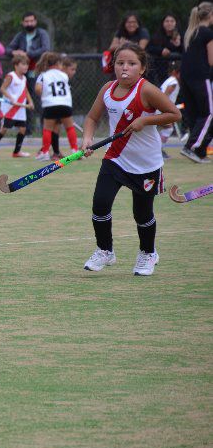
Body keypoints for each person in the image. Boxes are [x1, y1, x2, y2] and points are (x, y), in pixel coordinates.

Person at [81, 43, 180, 276]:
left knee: (142, 214)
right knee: (100, 204)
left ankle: (148, 253)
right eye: (120, 63)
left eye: (132, 63)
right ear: (113, 66)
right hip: (116, 158)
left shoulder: (147, 90)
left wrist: (145, 121)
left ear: (142, 68)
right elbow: (92, 117)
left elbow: (175, 114)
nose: (125, 67)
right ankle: (105, 251)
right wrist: (87, 139)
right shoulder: (107, 89)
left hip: (146, 163)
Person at [179, 1, 213, 163]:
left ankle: (199, 152)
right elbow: (211, 60)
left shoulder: (190, 31)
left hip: (186, 78)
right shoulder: (207, 33)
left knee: (194, 114)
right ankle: (191, 146)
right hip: (201, 77)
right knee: (208, 113)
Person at [6, 12, 51, 135]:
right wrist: (15, 52)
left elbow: (46, 49)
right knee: (25, 100)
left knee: (41, 100)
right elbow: (8, 49)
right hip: (23, 74)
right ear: (23, 22)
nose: (29, 23)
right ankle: (27, 130)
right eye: (26, 21)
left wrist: (28, 54)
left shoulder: (42, 34)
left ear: (35, 22)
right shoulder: (20, 36)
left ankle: (45, 129)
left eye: (31, 21)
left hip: (38, 72)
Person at [0, 53, 34, 158]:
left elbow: (25, 91)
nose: (26, 67)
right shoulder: (11, 76)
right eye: (23, 64)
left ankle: (16, 152)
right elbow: (2, 88)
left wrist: (30, 102)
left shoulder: (24, 78)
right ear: (16, 65)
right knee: (4, 129)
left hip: (20, 108)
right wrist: (10, 98)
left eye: (27, 64)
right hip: (10, 108)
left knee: (23, 129)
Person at [34, 52, 79, 160]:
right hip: (65, 104)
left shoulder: (43, 75)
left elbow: (38, 89)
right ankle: (75, 151)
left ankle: (44, 153)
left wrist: (44, 94)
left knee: (47, 129)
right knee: (69, 128)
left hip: (50, 104)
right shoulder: (63, 75)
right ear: (57, 63)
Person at [146, 14, 184, 85]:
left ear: (176, 23)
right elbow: (149, 48)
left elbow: (186, 50)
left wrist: (179, 45)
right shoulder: (157, 36)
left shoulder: (181, 35)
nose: (169, 23)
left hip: (178, 68)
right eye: (167, 21)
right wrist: (161, 50)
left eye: (172, 21)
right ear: (163, 23)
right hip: (160, 68)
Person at [157, 60, 181, 158]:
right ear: (175, 72)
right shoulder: (174, 82)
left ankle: (157, 150)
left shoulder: (169, 80)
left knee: (165, 128)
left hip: (159, 108)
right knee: (169, 128)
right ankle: (158, 151)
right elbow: (165, 97)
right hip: (160, 108)